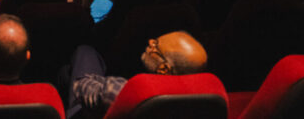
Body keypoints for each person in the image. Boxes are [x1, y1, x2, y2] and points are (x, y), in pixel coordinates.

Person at [68, 30, 207, 117]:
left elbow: (80, 86)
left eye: (156, 45)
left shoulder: (126, 91)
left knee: (85, 51)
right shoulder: (205, 102)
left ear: (164, 69)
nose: (150, 42)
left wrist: (103, 82)